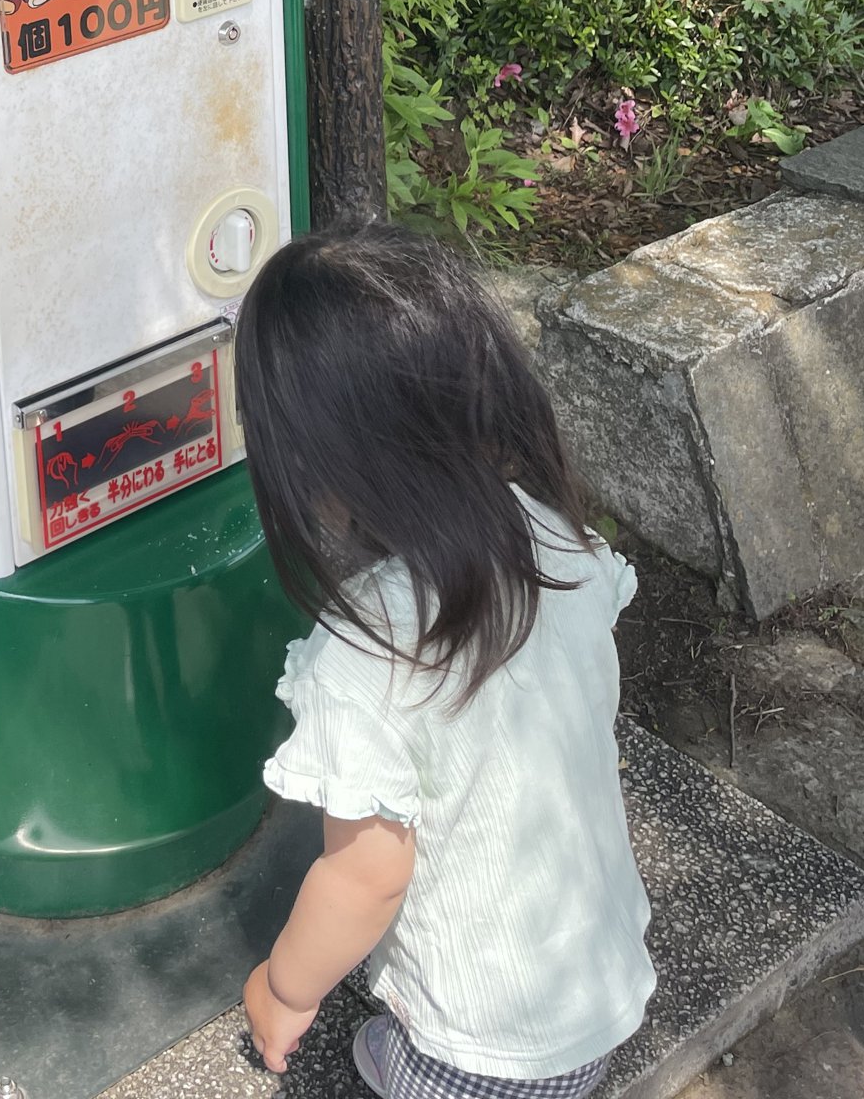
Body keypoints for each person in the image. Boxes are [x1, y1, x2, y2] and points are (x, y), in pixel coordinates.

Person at [234, 225, 654, 1097]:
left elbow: (367, 876)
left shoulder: (364, 655)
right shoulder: (554, 536)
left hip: (482, 1053)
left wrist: (282, 986)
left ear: (311, 458)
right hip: (597, 985)